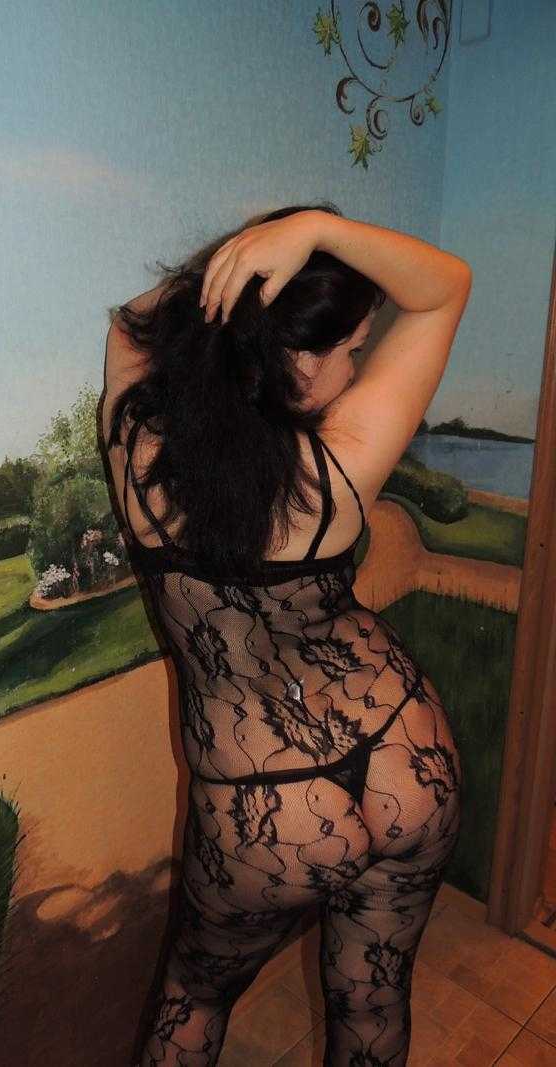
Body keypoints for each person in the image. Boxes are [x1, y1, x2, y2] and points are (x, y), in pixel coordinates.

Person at [100, 204, 470, 1067]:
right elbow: (447, 286)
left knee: (194, 997)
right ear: (291, 357)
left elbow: (129, 324)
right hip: (405, 753)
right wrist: (312, 231)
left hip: (264, 805)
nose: (353, 369)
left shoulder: (135, 449)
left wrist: (231, 282)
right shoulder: (338, 467)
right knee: (371, 999)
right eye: (350, 350)